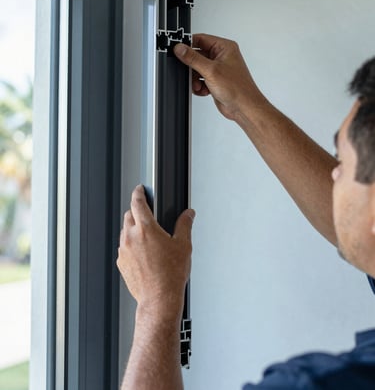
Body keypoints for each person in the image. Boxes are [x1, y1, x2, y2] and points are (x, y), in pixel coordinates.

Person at [116, 33, 375, 389]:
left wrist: (156, 305)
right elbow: (348, 216)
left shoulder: (327, 383)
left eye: (342, 164)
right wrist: (243, 105)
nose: (333, 174)